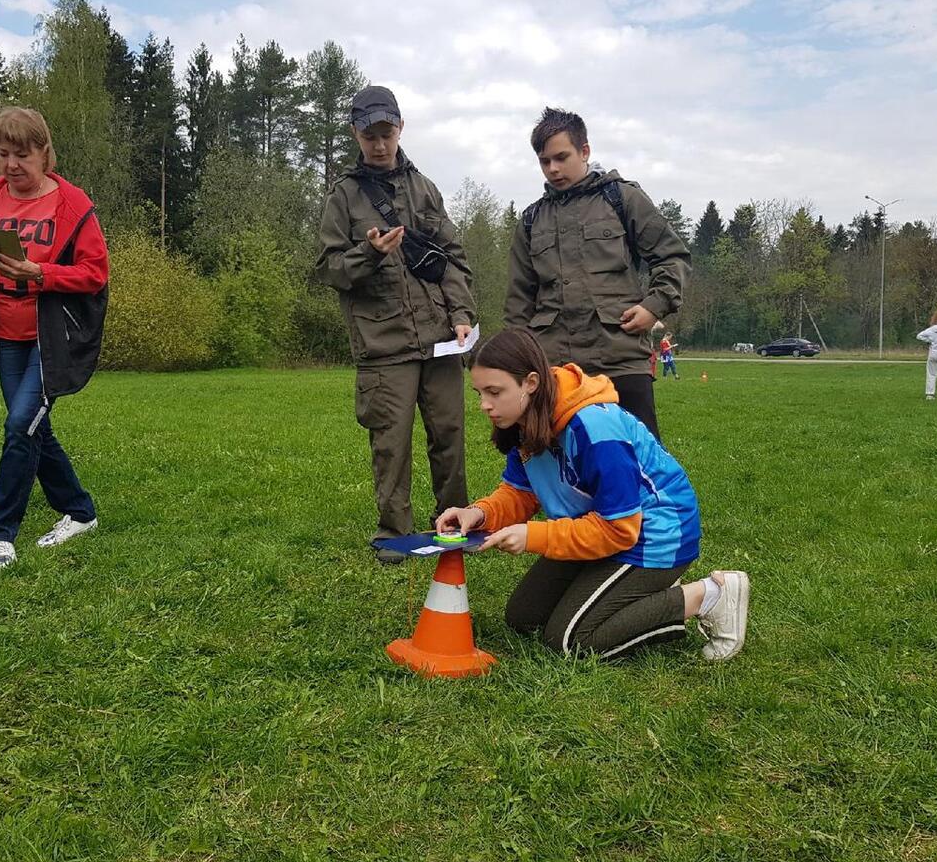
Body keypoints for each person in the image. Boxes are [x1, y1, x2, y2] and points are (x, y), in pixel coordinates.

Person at [436, 329, 750, 662]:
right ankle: (635, 594)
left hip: (655, 535)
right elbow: (520, 492)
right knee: (524, 618)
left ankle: (710, 595)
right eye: (480, 392)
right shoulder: (523, 419)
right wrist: (480, 513)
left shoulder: (594, 427)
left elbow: (621, 529)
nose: (485, 405)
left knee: (571, 641)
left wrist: (534, 535)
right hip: (598, 529)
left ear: (530, 382)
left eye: (494, 392)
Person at [315, 86, 477, 563]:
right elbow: (327, 267)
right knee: (391, 442)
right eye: (369, 135)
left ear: (400, 128)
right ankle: (394, 534)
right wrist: (369, 252)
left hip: (440, 340)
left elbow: (453, 257)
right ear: (355, 134)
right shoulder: (343, 195)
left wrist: (462, 315)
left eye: (386, 133)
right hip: (382, 343)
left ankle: (452, 521)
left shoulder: (424, 189)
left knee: (449, 435)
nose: (379, 144)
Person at [0, 107, 108, 568]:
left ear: (44, 153)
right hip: (6, 335)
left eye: (22, 154)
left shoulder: (73, 204)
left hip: (50, 339)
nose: (12, 165)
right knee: (34, 426)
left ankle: (0, 534)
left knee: (20, 425)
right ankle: (80, 512)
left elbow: (95, 274)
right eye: (2, 154)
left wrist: (41, 272)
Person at [504, 107, 691, 440]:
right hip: (555, 367)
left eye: (561, 157)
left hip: (620, 357)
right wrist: (518, 366)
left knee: (639, 463)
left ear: (585, 151)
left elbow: (671, 255)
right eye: (545, 161)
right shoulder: (532, 220)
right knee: (557, 467)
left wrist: (654, 305)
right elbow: (519, 301)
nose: (553, 169)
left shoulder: (622, 198)